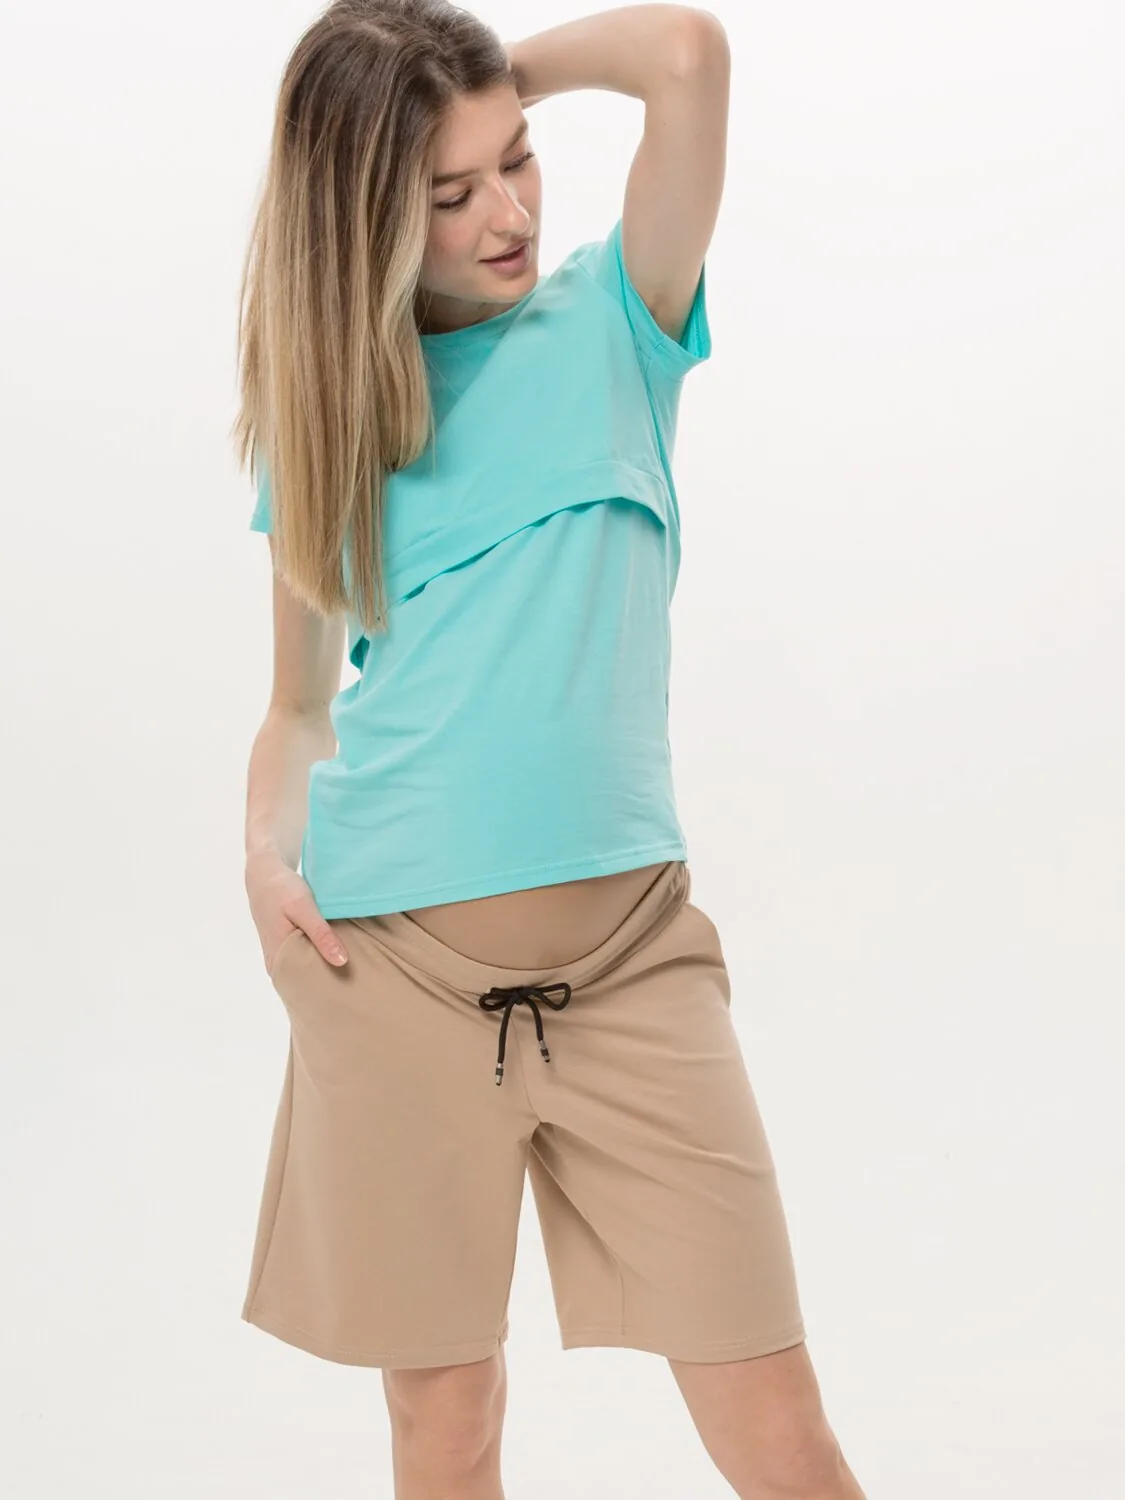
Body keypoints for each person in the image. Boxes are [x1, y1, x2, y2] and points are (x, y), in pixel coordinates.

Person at [233, 3, 868, 1497]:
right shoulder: (331, 421)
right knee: (446, 1425)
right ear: (365, 218)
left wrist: (491, 78)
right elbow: (298, 710)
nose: (509, 214)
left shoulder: (615, 323)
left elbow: (688, 57)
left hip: (633, 967)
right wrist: (263, 860)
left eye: (515, 161)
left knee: (777, 1428)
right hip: (388, 973)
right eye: (449, 194)